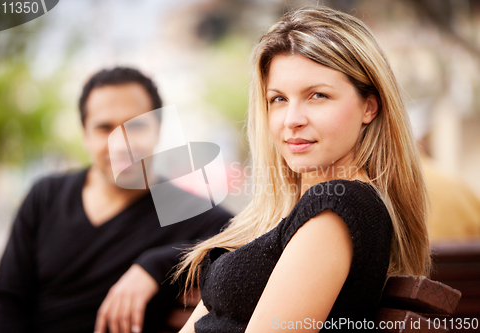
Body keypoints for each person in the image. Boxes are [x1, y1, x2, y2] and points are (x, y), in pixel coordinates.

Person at [174, 6, 430, 333]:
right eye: (278, 99)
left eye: (317, 95)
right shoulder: (299, 209)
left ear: (369, 106)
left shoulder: (338, 206)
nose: (292, 119)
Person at [0, 67, 232, 333]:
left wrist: (157, 265)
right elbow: (5, 304)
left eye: (135, 126)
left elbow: (252, 242)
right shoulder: (45, 197)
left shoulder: (193, 214)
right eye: (104, 128)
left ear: (158, 131)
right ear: (85, 134)